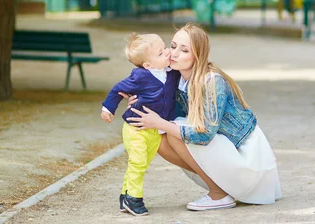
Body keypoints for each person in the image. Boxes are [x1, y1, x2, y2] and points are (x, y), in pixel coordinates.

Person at [124, 23, 281, 211]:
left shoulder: (212, 81)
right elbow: (160, 101)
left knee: (172, 131)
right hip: (222, 148)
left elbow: (204, 134)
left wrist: (160, 123)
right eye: (173, 46)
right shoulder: (174, 76)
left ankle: (219, 194)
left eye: (184, 51)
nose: (173, 54)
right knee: (160, 139)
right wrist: (137, 99)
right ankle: (221, 186)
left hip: (245, 155)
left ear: (197, 56)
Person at [100, 33, 180, 216]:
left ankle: (125, 196)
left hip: (154, 130)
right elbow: (118, 89)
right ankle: (135, 199)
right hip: (135, 127)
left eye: (165, 48)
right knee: (137, 162)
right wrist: (108, 109)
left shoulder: (171, 72)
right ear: (148, 65)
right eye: (161, 53)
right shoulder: (140, 76)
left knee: (142, 165)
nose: (167, 53)